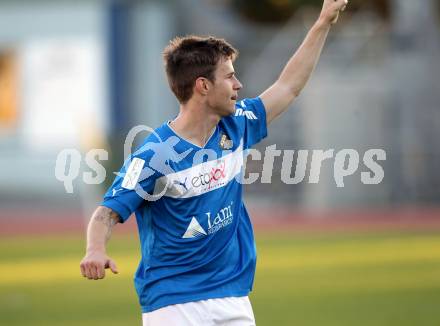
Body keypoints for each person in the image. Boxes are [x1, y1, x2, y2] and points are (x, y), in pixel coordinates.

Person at [80, 0, 348, 324]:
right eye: (230, 77)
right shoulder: (155, 155)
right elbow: (107, 212)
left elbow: (288, 87)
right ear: (203, 86)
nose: (239, 85)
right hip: (172, 302)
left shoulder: (237, 125)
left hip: (231, 297)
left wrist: (322, 22)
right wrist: (95, 249)